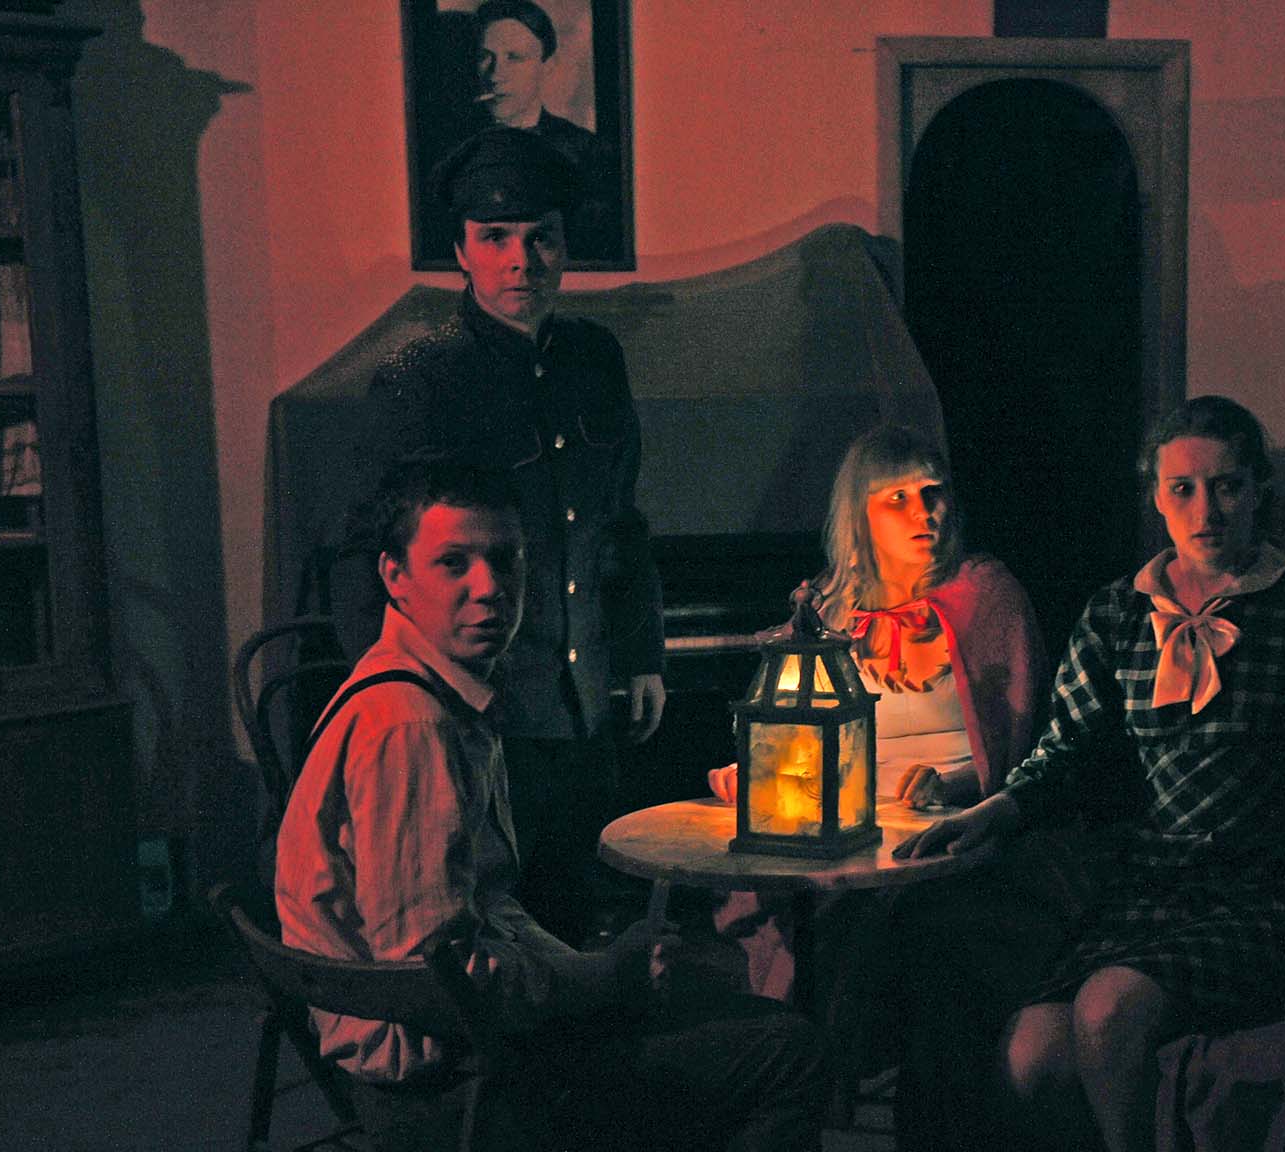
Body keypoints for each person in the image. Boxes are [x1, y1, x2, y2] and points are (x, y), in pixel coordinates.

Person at [896, 397, 1285, 1152]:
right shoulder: (1116, 615)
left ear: (1258, 490)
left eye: (1227, 485)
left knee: (1108, 1011)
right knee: (1030, 1058)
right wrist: (987, 812)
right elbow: (1064, 756)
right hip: (1148, 892)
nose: (1207, 510)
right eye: (1184, 489)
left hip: (1266, 891)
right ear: (1156, 498)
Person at [276, 462, 825, 1150]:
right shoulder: (412, 725)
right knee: (787, 1051)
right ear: (394, 576)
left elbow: (485, 908)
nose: (489, 588)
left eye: (505, 560)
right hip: (449, 1091)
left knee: (703, 1003)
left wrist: (594, 970)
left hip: (455, 1055)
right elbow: (438, 979)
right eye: (453, 563)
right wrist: (600, 978)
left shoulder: (429, 689)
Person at [706, 424, 1079, 1150]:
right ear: (861, 516)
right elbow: (794, 734)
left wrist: (954, 784)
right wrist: (757, 773)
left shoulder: (987, 596)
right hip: (855, 847)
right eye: (897, 499)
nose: (924, 513)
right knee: (833, 933)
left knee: (931, 944)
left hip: (967, 846)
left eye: (933, 493)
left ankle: (927, 1123)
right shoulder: (827, 612)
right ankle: (811, 1101)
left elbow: (1025, 748)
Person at [364, 126, 662, 946]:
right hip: (484, 709)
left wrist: (641, 653)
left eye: (541, 238)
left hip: (582, 699)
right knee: (496, 924)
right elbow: (382, 556)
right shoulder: (422, 375)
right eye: (495, 238)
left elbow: (621, 520)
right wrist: (415, 706)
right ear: (461, 251)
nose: (521, 262)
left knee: (583, 914)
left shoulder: (594, 360)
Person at [470, 0, 624, 262]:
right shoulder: (453, 152)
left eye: (514, 58)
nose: (495, 75)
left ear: (547, 66)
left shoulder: (589, 152)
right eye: (485, 56)